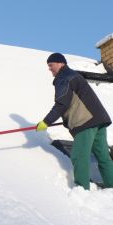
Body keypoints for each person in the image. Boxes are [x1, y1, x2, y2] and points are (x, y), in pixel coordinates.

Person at [36, 52, 113, 190]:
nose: (49, 68)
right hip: (98, 119)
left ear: (61, 63)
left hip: (85, 121)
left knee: (79, 156)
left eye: (51, 65)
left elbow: (61, 104)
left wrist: (46, 122)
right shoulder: (72, 75)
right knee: (103, 157)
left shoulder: (64, 77)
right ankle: (111, 187)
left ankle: (82, 189)